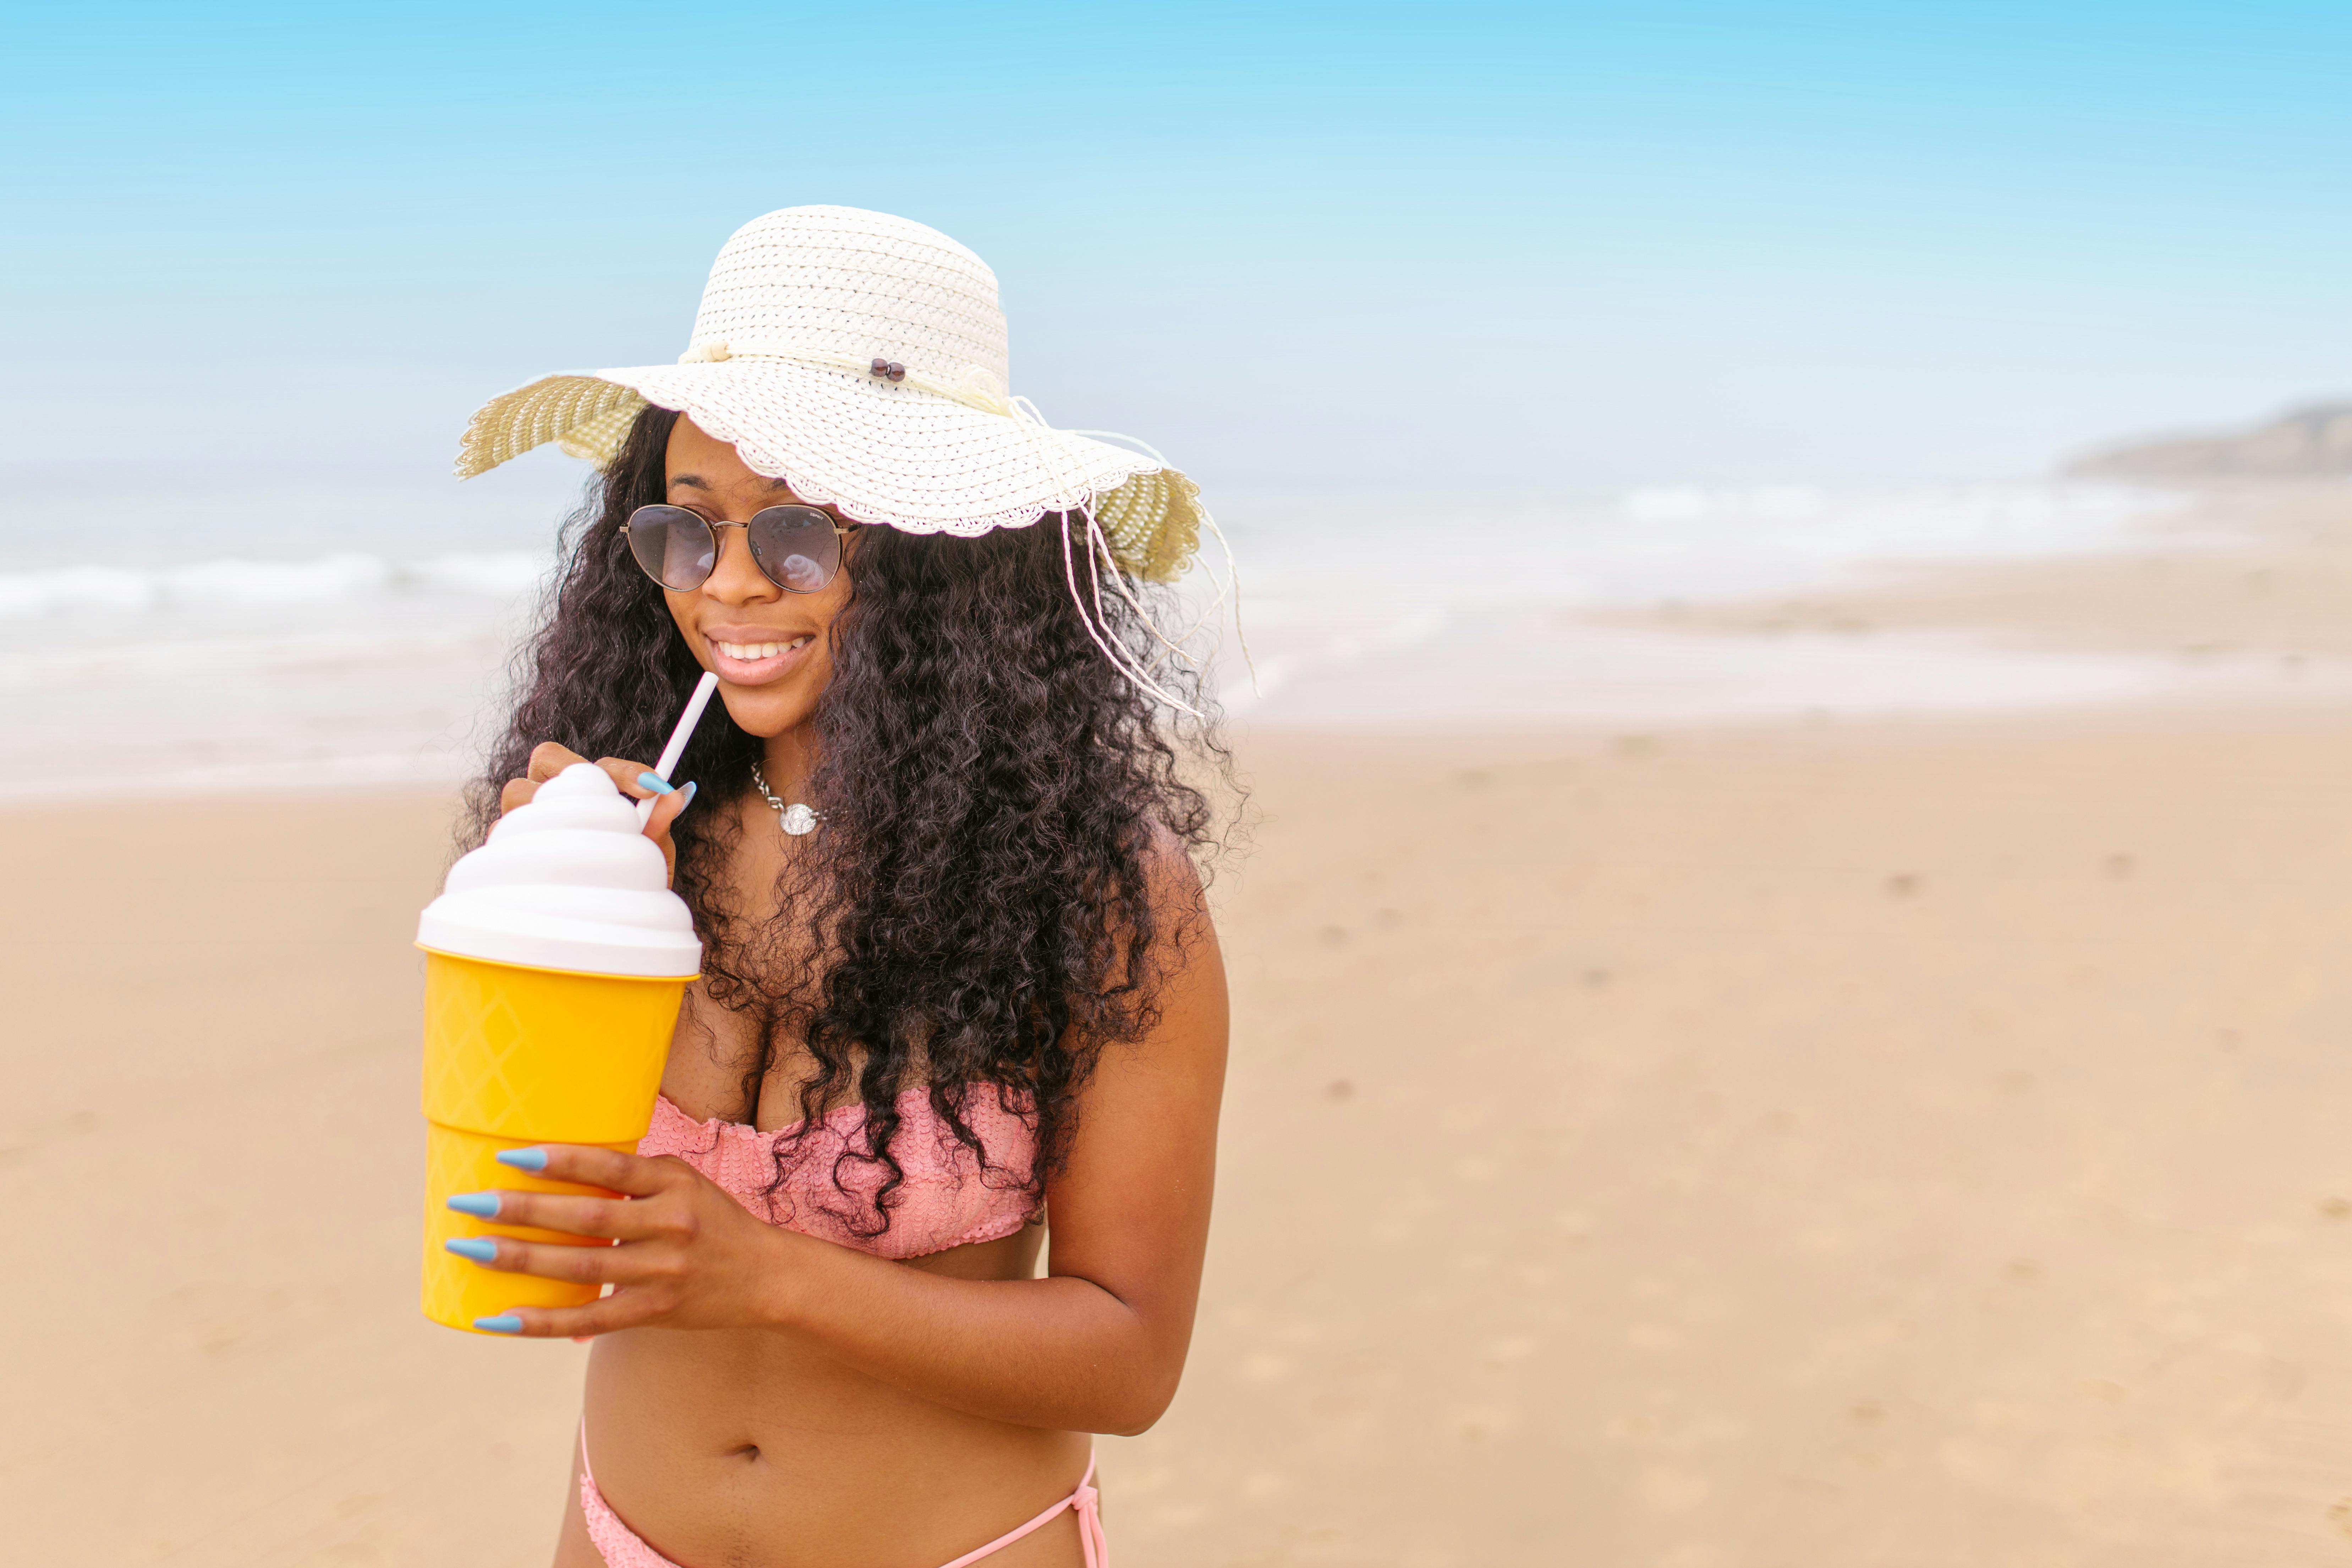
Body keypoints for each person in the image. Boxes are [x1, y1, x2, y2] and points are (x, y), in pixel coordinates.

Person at [446, 206, 1234, 1568]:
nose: (729, 586)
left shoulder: (1093, 887)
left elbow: (1129, 1361)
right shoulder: (641, 836)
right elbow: (535, 1196)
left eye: (795, 537)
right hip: (614, 1532)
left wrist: (763, 1278)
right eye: (689, 534)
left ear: (936, 555)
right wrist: (560, 920)